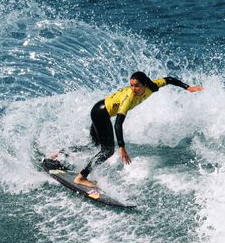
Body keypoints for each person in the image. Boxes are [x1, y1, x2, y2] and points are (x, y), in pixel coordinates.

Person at [74, 71, 202, 187]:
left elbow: (168, 80)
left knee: (94, 144)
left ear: (144, 84)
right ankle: (81, 177)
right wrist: (121, 147)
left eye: (136, 86)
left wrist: (188, 88)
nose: (133, 89)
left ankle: (61, 154)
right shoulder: (129, 98)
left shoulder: (152, 87)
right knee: (107, 151)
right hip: (101, 114)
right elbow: (118, 124)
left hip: (100, 109)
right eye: (131, 85)